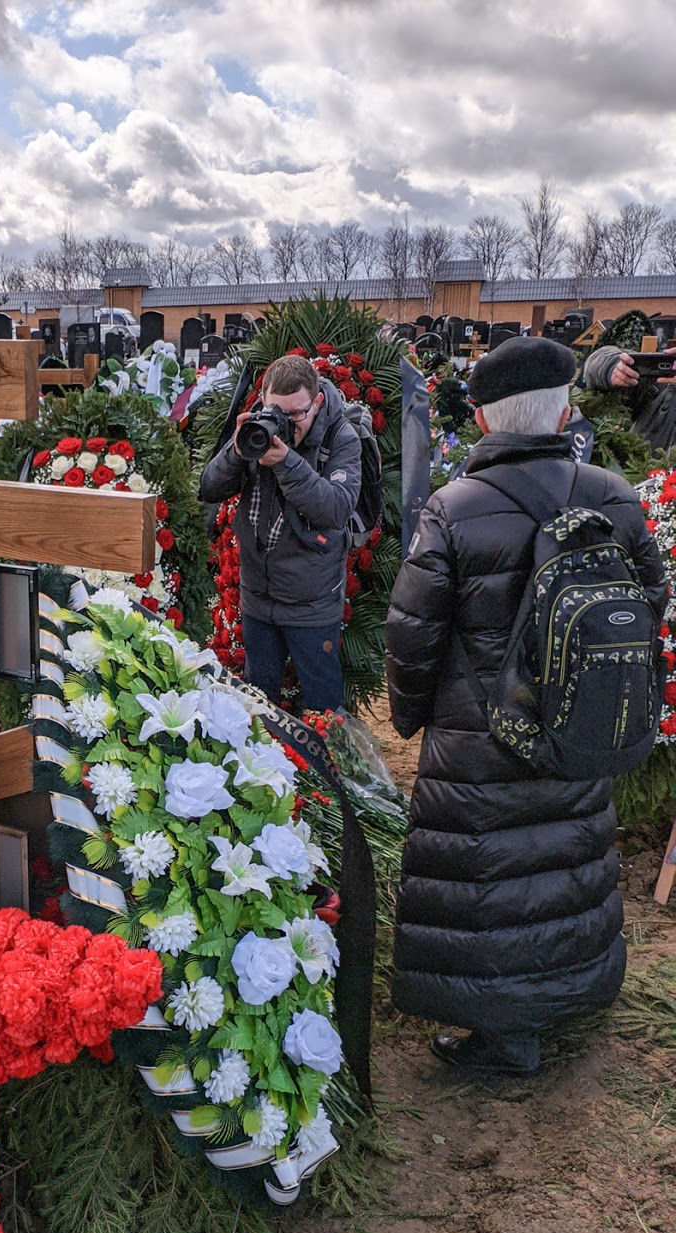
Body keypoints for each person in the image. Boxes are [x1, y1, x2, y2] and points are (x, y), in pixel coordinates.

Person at [385, 337, 668, 1076]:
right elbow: (649, 603)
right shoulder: (613, 495)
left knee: (494, 872)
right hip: (581, 721)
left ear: (481, 420)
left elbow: (412, 632)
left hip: (480, 731)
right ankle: (569, 991)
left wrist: (412, 713)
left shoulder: (452, 508)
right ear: (565, 411)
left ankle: (506, 1034)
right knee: (563, 857)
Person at [199, 354, 361, 712]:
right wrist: (238, 452)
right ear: (263, 399)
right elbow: (209, 487)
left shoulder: (341, 437)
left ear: (317, 401)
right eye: (276, 411)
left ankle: (326, 768)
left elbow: (334, 509)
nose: (286, 423)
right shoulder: (256, 429)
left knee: (322, 709)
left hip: (311, 605)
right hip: (258, 598)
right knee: (259, 709)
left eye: (296, 414)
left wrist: (287, 463)